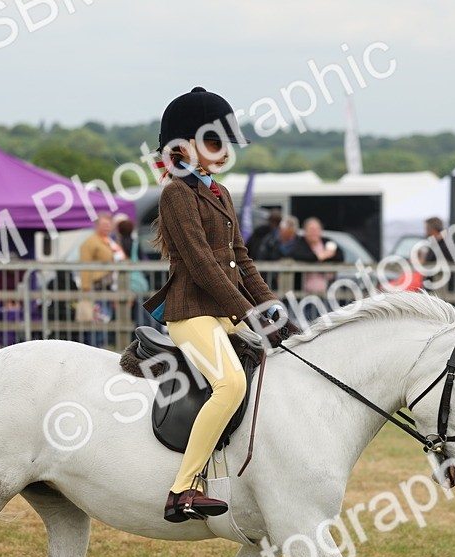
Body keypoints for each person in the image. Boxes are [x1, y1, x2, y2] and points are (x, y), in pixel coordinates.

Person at [142, 86, 297, 523]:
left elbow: (241, 260)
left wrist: (271, 307)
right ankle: (182, 489)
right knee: (231, 384)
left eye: (224, 143)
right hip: (191, 314)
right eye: (214, 142)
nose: (222, 150)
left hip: (224, 314)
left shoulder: (220, 192)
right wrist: (246, 312)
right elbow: (203, 264)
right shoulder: (176, 194)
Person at [77, 213, 124, 336]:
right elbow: (84, 266)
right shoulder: (90, 242)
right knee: (98, 317)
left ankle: (100, 342)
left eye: (109, 225)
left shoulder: (108, 241)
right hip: (96, 285)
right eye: (104, 225)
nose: (107, 228)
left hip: (107, 284)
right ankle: (96, 344)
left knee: (104, 316)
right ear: (96, 226)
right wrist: (86, 287)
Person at [290, 217, 343, 298]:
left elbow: (340, 256)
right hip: (303, 295)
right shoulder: (299, 243)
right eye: (311, 229)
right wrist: (321, 256)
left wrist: (325, 257)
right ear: (305, 231)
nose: (313, 232)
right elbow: (298, 255)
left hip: (326, 293)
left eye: (316, 229)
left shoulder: (327, 242)